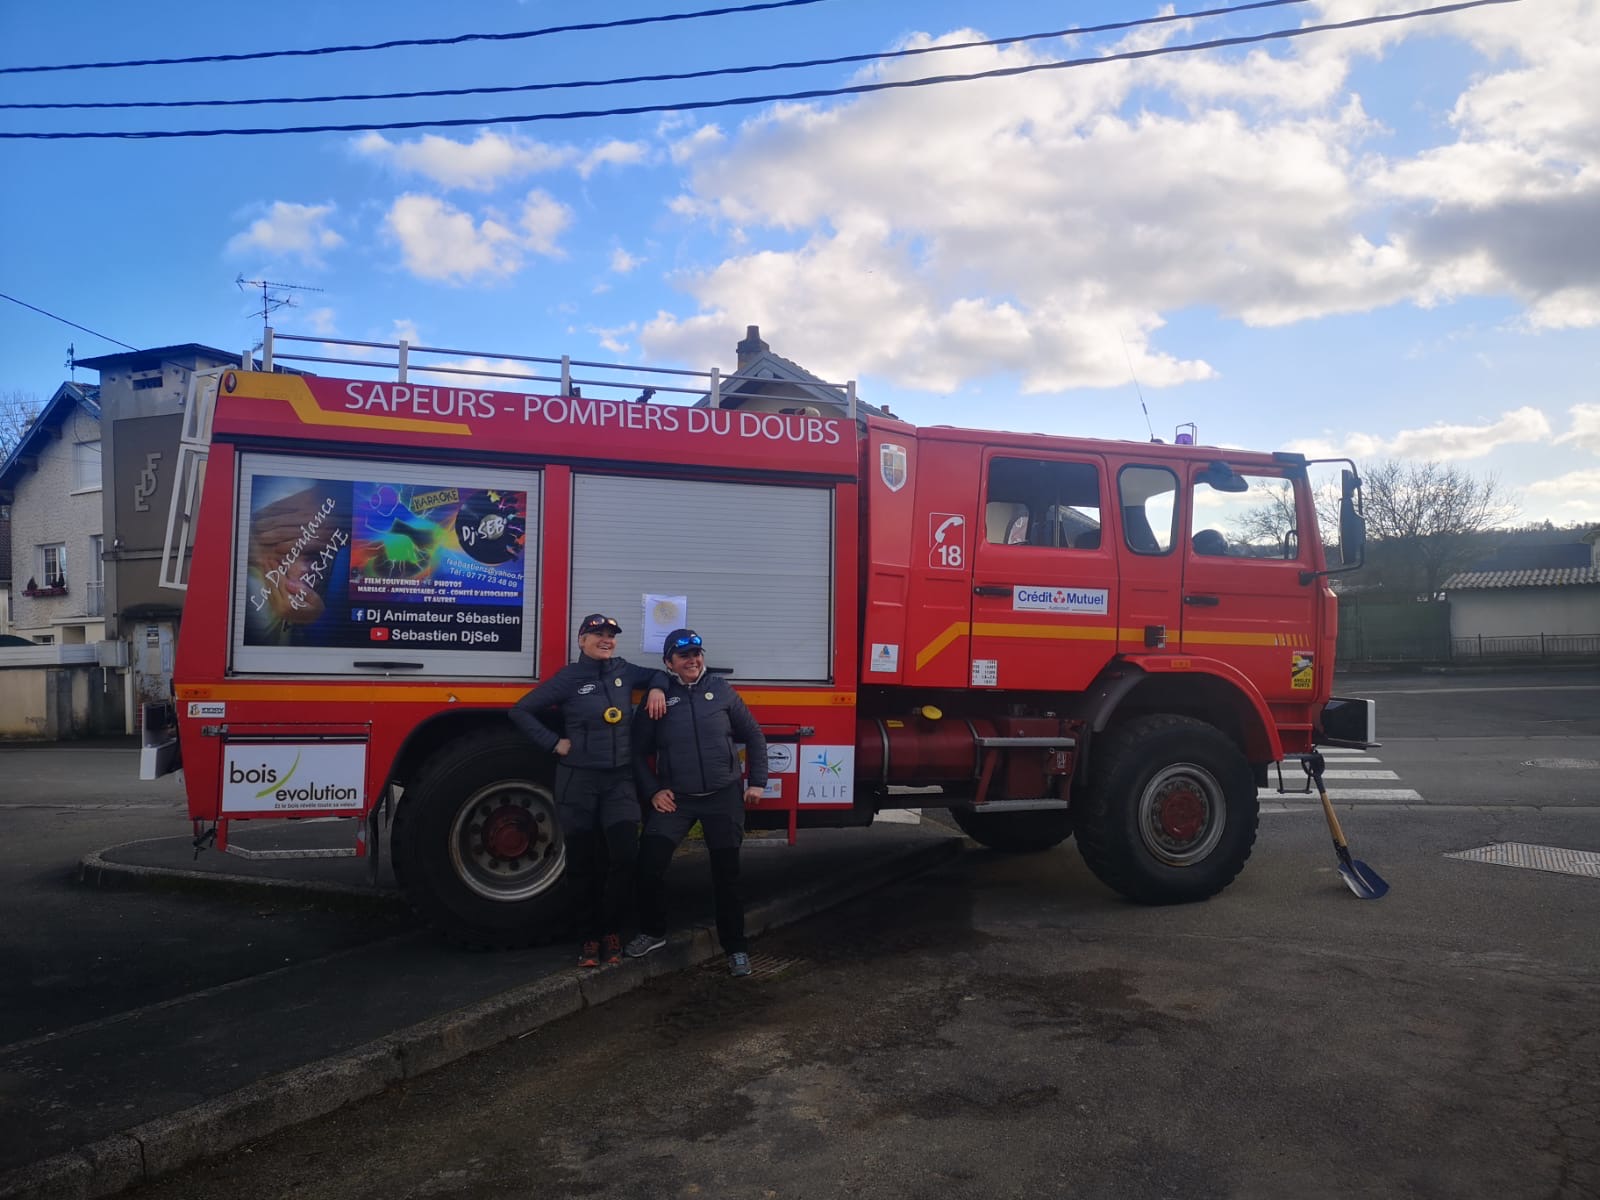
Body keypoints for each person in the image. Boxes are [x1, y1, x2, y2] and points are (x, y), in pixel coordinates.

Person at [509, 614, 668, 967]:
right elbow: (522, 711)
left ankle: (611, 930)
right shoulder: (568, 678)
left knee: (624, 857)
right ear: (581, 640)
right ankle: (589, 938)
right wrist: (553, 743)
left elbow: (660, 674)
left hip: (619, 783)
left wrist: (656, 688)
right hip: (578, 782)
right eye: (598, 634)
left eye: (611, 635)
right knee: (582, 864)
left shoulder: (624, 670)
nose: (606, 639)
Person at [626, 628, 768, 977]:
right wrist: (653, 791)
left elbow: (754, 735)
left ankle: (735, 949)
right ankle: (653, 932)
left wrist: (758, 782)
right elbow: (637, 751)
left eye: (697, 654)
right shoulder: (657, 698)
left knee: (727, 877)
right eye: (684, 656)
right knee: (649, 864)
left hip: (723, 798)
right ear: (669, 663)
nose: (693, 660)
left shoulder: (721, 690)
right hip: (679, 801)